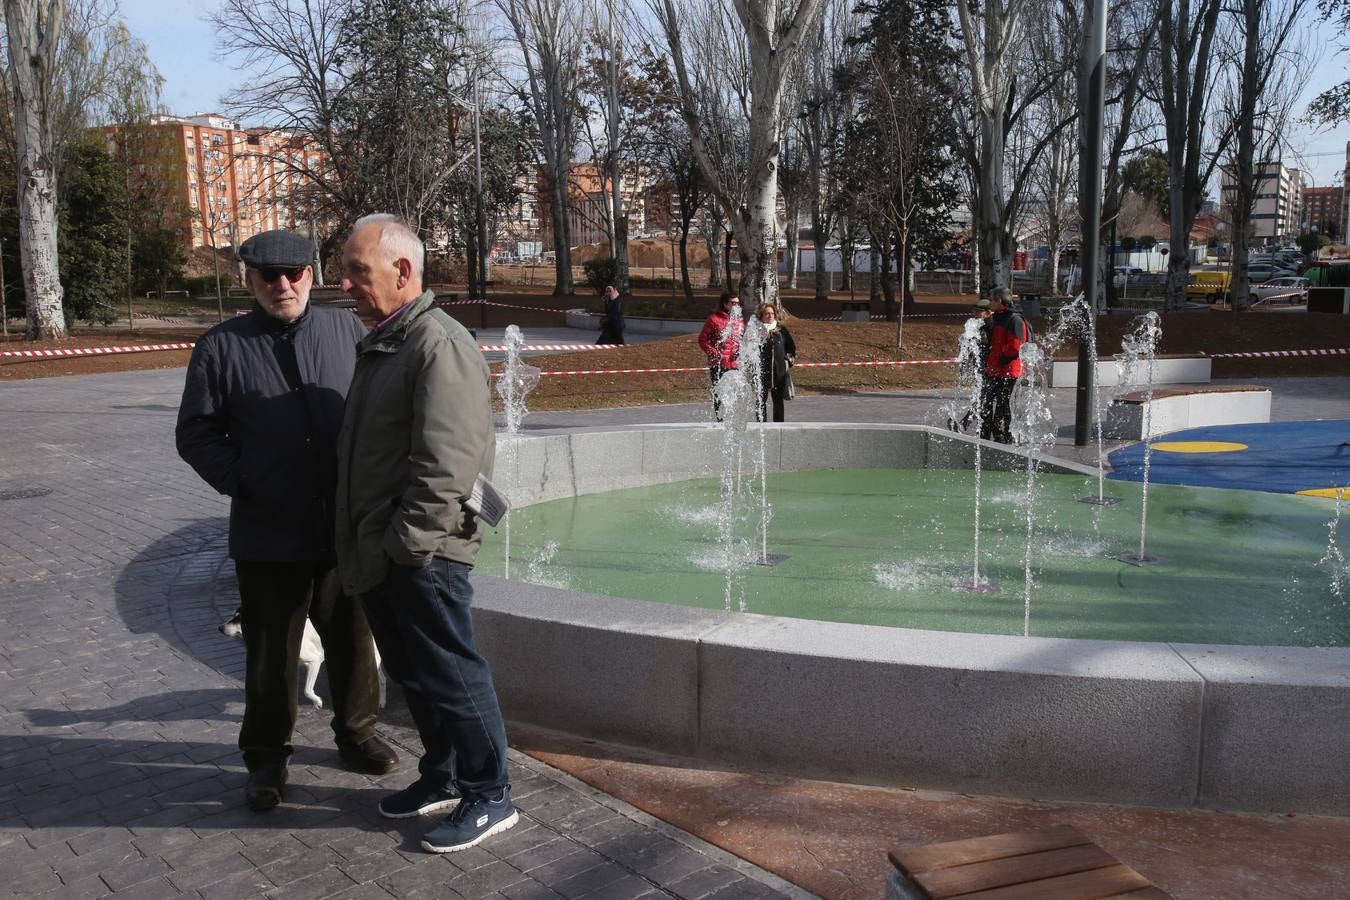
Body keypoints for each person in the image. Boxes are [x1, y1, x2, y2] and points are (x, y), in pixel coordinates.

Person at [175, 229, 396, 813]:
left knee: (351, 636)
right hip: (268, 531)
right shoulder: (221, 346)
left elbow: (374, 407)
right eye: (268, 276)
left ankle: (357, 734)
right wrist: (247, 479)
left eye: (294, 273)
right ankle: (268, 757)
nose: (283, 285)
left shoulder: (345, 330)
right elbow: (195, 433)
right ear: (248, 279)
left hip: (341, 526)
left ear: (312, 273)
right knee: (272, 653)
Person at [335, 213, 517, 854]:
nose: (345, 285)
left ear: (402, 271)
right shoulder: (390, 340)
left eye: (357, 272)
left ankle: (491, 793)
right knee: (416, 675)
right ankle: (441, 774)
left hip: (423, 553)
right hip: (390, 548)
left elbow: (447, 464)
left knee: (450, 673)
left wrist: (407, 547)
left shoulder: (437, 343)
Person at [981, 287, 1031, 444]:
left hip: (1009, 371)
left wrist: (1000, 357)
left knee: (1003, 406)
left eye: (991, 299)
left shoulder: (1014, 320)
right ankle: (986, 434)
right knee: (986, 403)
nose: (989, 302)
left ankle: (1003, 435)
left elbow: (1016, 347)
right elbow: (993, 342)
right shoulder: (997, 318)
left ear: (999, 301)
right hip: (995, 369)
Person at [697, 291, 744, 420]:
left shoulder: (739, 321)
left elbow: (742, 340)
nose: (736, 306)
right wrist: (715, 353)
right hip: (718, 364)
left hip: (735, 363)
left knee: (735, 393)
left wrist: (740, 351)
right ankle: (720, 419)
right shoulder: (713, 319)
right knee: (720, 393)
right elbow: (702, 340)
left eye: (738, 304)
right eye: (733, 303)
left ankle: (733, 419)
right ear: (724, 303)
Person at [754, 303, 796, 423]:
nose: (770, 316)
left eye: (772, 313)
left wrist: (789, 359)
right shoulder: (755, 330)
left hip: (779, 372)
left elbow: (791, 348)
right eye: (767, 313)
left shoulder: (781, 329)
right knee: (760, 401)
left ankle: (779, 426)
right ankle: (761, 426)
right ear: (761, 315)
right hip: (761, 372)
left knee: (778, 401)